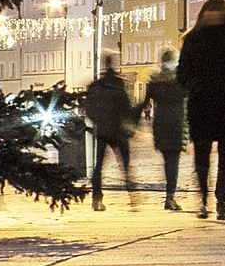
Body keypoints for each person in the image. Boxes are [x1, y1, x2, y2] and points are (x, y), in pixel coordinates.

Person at [174, 0, 225, 220]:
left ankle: (222, 201)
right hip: (202, 103)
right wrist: (193, 84)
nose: (214, 15)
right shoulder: (193, 40)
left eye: (218, 12)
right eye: (211, 12)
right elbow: (182, 72)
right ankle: (203, 198)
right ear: (204, 15)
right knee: (201, 154)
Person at [79, 66, 139, 207]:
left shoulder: (97, 86)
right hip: (118, 131)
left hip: (103, 130)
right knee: (125, 165)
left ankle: (97, 199)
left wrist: (96, 121)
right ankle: (133, 197)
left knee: (98, 166)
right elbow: (127, 108)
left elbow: (88, 108)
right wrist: (130, 126)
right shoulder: (120, 85)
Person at [144, 51, 190, 210]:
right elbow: (189, 96)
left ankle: (169, 196)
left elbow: (146, 101)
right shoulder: (182, 78)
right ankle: (170, 197)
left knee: (167, 160)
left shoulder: (156, 79)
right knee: (173, 161)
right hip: (177, 121)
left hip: (161, 121)